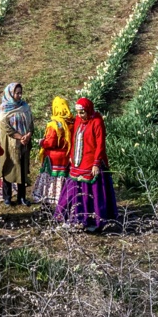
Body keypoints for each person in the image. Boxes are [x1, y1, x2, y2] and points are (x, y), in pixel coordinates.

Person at [55, 97, 118, 233]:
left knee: (92, 192)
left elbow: (100, 144)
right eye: (78, 112)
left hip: (90, 162)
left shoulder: (97, 122)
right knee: (72, 189)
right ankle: (71, 218)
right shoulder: (78, 120)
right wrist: (72, 156)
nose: (80, 115)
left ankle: (93, 221)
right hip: (78, 162)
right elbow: (74, 138)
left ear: (88, 110)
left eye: (82, 112)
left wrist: (96, 163)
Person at [33, 97, 73, 206]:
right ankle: (63, 201)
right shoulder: (71, 123)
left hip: (52, 159)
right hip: (65, 157)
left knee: (50, 181)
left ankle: (46, 203)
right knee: (61, 180)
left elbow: (50, 142)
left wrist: (42, 142)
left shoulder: (54, 124)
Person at [0, 83, 33, 205]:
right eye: (16, 93)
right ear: (10, 93)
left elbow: (30, 122)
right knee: (9, 167)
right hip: (10, 144)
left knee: (22, 169)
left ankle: (21, 197)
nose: (19, 95)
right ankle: (7, 197)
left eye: (20, 92)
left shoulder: (24, 106)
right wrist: (19, 137)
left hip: (24, 143)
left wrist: (28, 135)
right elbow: (4, 126)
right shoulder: (4, 108)